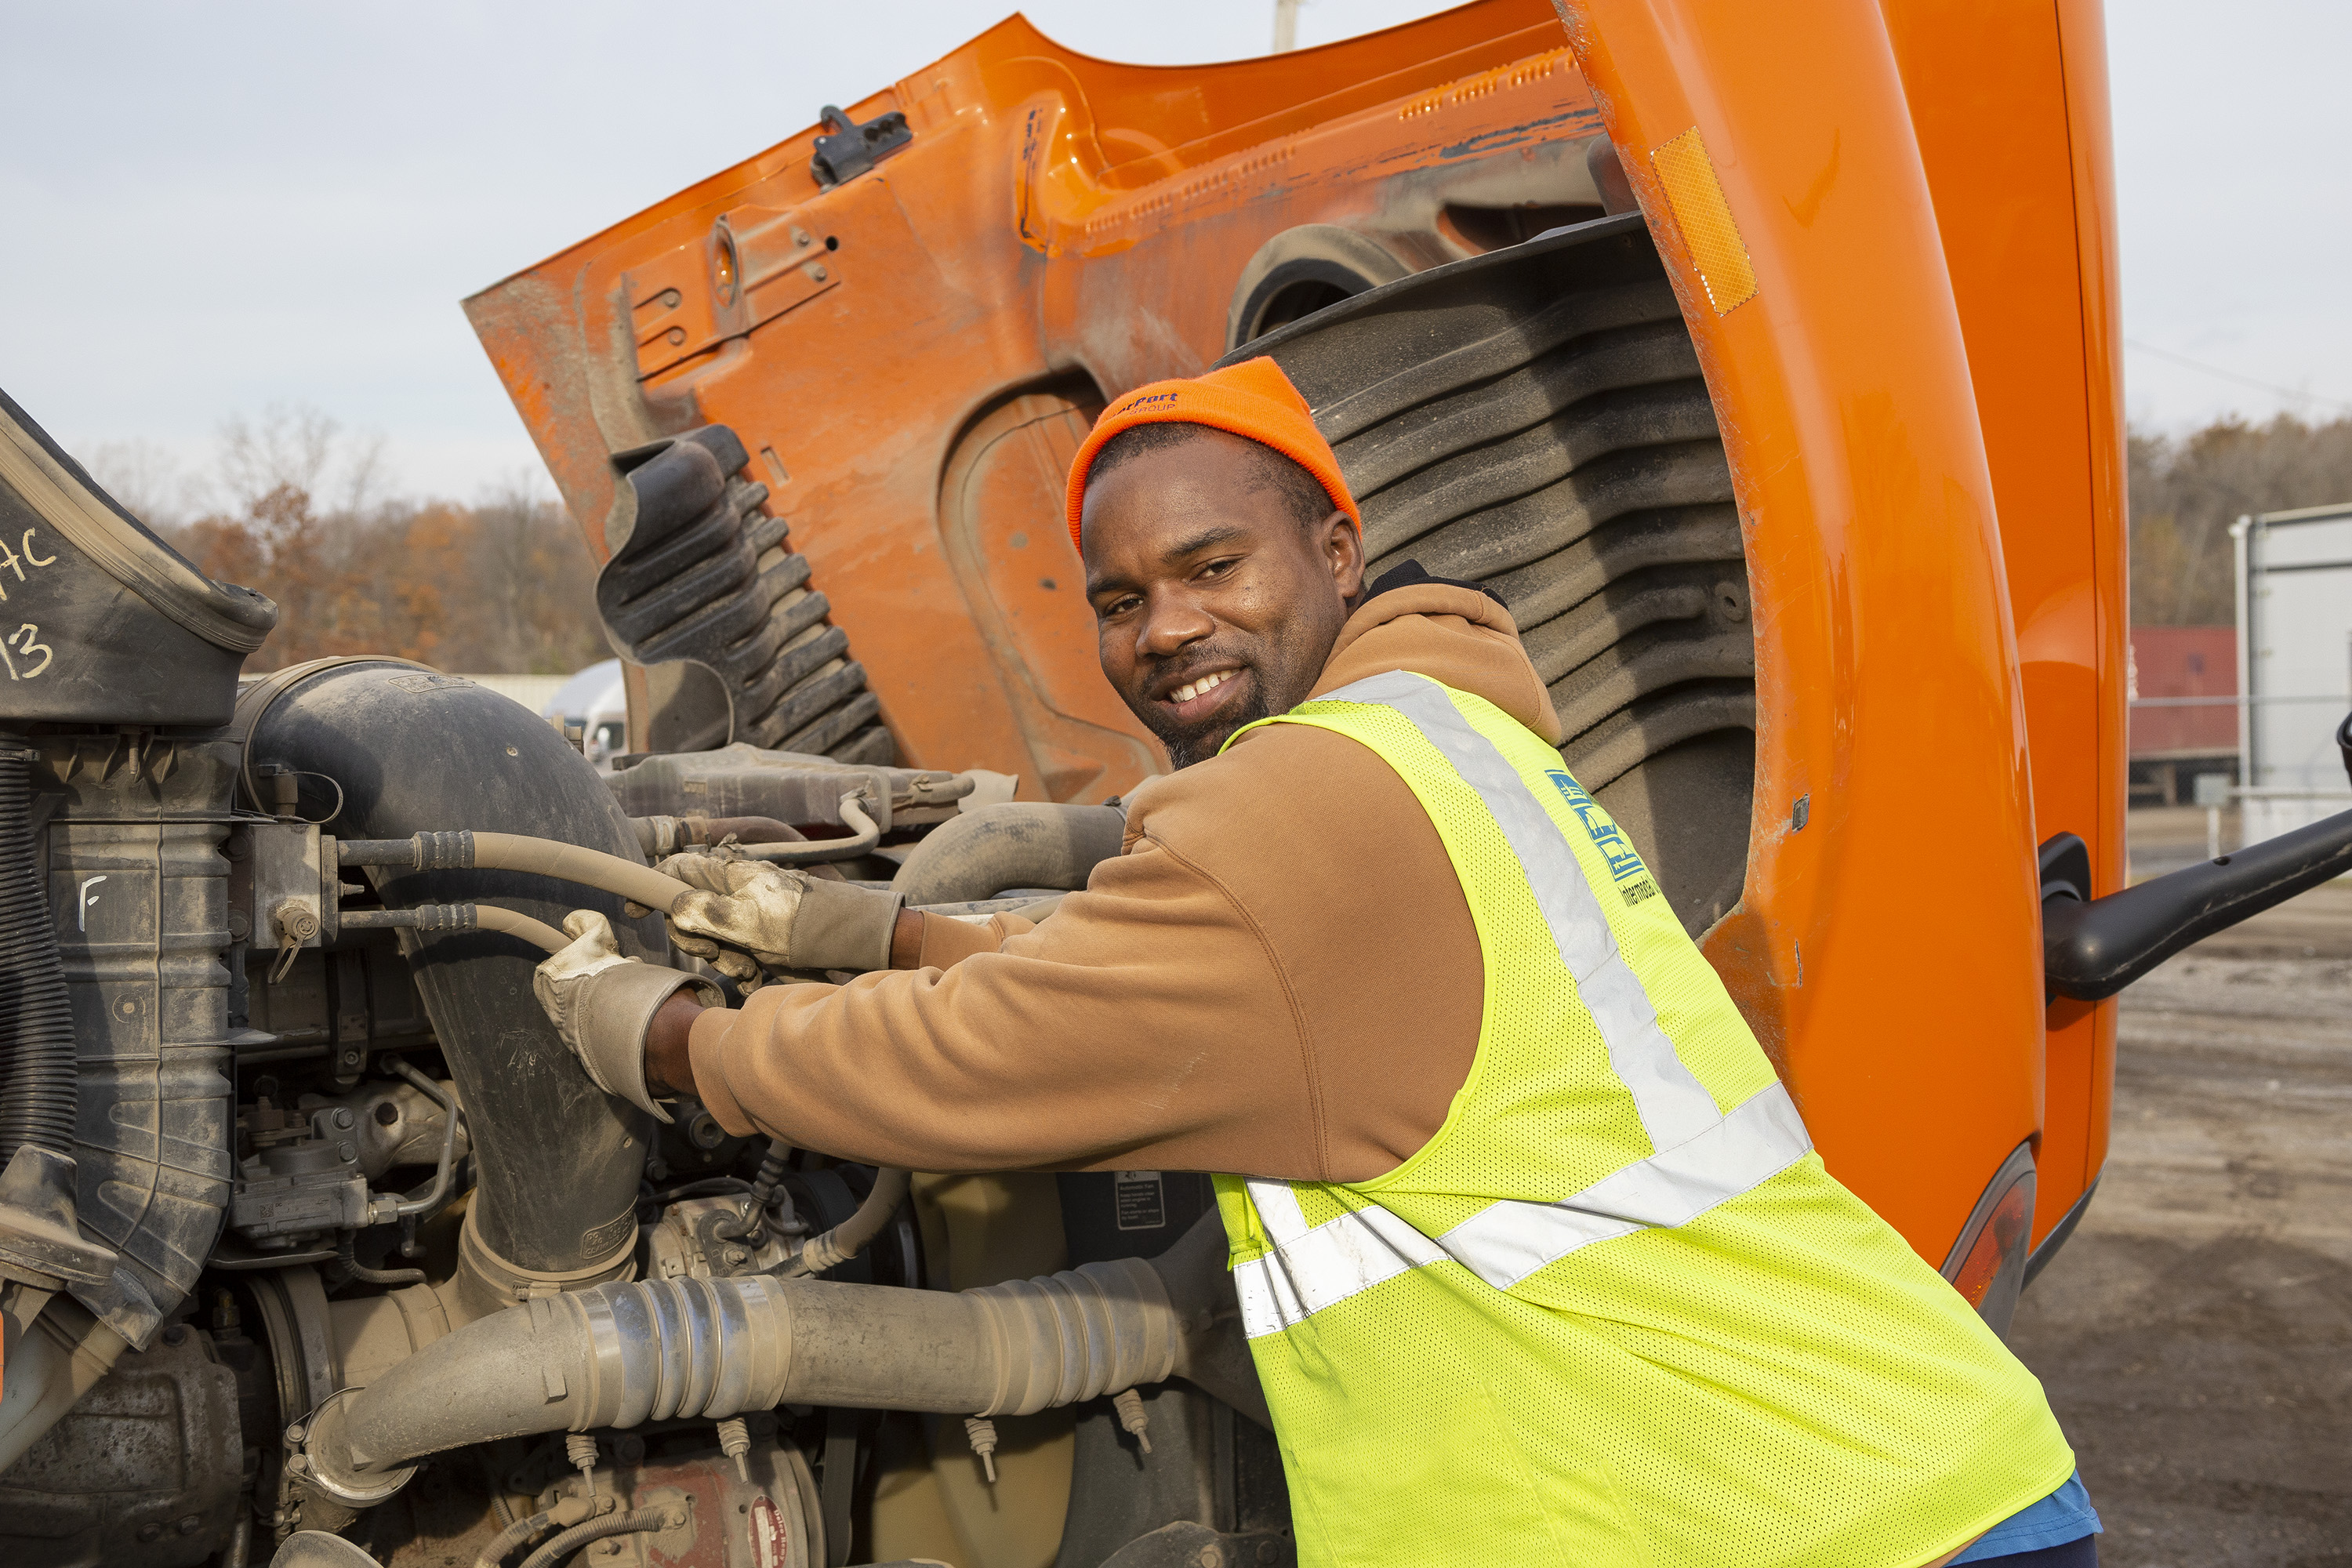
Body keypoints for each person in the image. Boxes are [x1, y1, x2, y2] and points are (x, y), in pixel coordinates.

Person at [532, 358, 2103, 1566]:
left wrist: (665, 1037)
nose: (1167, 628)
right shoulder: (1439, 739)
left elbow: (978, 1054)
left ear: (1338, 549)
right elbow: (1217, 980)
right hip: (1858, 1479)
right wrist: (860, 926)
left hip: (1796, 1520)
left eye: (1217, 567)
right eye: (1123, 599)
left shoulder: (1309, 804)